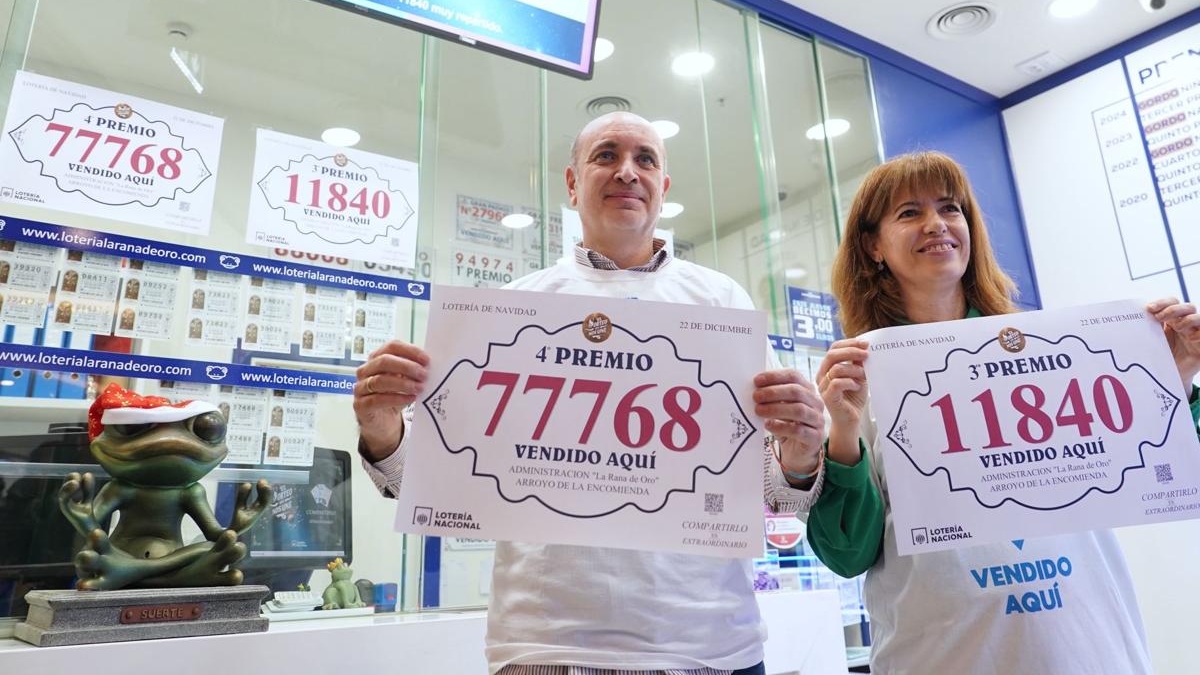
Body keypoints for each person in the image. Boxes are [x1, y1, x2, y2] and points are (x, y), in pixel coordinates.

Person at [353, 112, 827, 675]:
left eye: (645, 159)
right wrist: (382, 430)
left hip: (711, 647)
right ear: (573, 183)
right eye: (607, 156)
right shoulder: (510, 311)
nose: (627, 171)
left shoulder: (723, 305)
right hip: (547, 649)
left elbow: (777, 495)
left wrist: (801, 450)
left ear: (663, 188)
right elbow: (436, 486)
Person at [803, 151, 1200, 674]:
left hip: (1087, 647)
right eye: (908, 213)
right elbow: (847, 554)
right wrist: (845, 430)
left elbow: (1160, 475)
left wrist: (1177, 379)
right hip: (942, 656)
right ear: (872, 246)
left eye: (950, 208)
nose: (936, 224)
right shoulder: (860, 377)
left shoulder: (1052, 349)